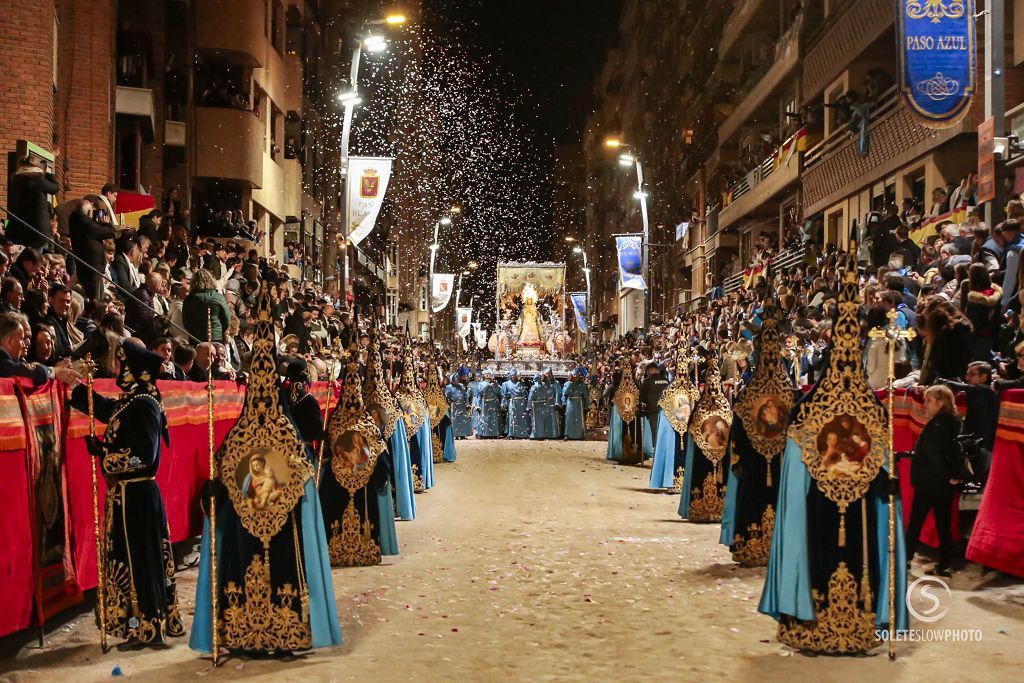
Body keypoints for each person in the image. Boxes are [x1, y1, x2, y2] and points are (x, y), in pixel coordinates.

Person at [69, 340, 184, 646]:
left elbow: (144, 457)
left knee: (140, 564)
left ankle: (146, 626)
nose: (119, 370)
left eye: (123, 365)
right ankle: (134, 625)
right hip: (125, 497)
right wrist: (77, 388)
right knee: (128, 562)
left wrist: (104, 451)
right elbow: (107, 409)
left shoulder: (145, 404)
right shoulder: (131, 401)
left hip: (137, 496)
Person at [906, 385, 966, 577]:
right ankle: (944, 563)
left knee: (917, 521)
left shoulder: (940, 425)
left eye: (929, 400)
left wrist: (946, 476)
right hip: (940, 482)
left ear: (941, 402)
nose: (925, 404)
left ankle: (905, 558)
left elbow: (935, 454)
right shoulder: (949, 422)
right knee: (942, 523)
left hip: (932, 481)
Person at [68, 195, 117, 301]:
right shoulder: (86, 224)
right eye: (92, 210)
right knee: (96, 300)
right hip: (92, 269)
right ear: (88, 212)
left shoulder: (76, 222)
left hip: (87, 268)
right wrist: (107, 224)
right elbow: (110, 232)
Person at [7, 157, 60, 249]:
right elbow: (55, 188)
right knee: (35, 257)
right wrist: (47, 174)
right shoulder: (38, 179)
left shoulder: (15, 179)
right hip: (38, 228)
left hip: (18, 226)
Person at [182, 269, 231, 343]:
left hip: (196, 338)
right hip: (216, 337)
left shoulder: (189, 299)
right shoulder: (218, 297)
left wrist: (194, 332)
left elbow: (186, 320)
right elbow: (227, 320)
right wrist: (219, 331)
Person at [42, 283, 75, 360]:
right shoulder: (49, 322)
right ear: (50, 300)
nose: (65, 304)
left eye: (68, 301)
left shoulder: (62, 320)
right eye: (61, 300)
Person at [527, 368, 559, 440]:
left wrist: (528, 407)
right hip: (543, 405)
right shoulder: (545, 386)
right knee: (542, 421)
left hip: (536, 405)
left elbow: (530, 397)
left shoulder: (534, 387)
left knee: (536, 421)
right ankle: (542, 434)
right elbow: (547, 395)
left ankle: (536, 435)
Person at [560, 368, 591, 440]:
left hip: (578, 402)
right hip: (570, 402)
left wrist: (587, 404)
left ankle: (579, 434)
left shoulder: (582, 384)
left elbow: (585, 395)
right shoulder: (567, 384)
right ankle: (568, 434)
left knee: (578, 418)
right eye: (574, 375)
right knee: (569, 417)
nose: (575, 377)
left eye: (576, 375)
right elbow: (565, 393)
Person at [473, 369, 503, 439]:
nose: (487, 375)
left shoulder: (495, 383)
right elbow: (479, 392)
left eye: (488, 374)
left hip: (493, 403)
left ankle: (494, 433)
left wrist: (494, 386)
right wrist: (487, 385)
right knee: (484, 418)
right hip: (485, 403)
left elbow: (499, 393)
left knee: (493, 418)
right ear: (483, 375)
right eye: (486, 374)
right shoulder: (480, 383)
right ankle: (483, 433)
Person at [444, 368, 473, 439]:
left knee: (463, 419)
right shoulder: (449, 387)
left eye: (457, 378)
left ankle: (463, 434)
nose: (457, 379)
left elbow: (465, 395)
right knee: (455, 420)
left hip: (462, 405)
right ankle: (456, 435)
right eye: (455, 378)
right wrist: (450, 403)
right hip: (454, 406)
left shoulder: (462, 386)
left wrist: (467, 403)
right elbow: (446, 397)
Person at [501, 369, 531, 439]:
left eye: (515, 375)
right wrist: (503, 403)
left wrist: (521, 385)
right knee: (512, 418)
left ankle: (522, 433)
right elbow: (504, 395)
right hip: (513, 402)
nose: (513, 377)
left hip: (522, 403)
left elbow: (525, 394)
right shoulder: (506, 384)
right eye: (512, 375)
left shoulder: (521, 384)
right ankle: (512, 433)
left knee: (522, 418)